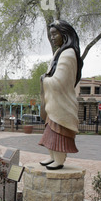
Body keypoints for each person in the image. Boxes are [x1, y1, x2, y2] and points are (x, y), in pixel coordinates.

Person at [39, 20, 83, 170]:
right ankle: (52, 157)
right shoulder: (59, 52)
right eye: (50, 35)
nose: (52, 38)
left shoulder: (69, 54)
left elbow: (60, 81)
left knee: (59, 133)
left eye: (54, 34)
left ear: (64, 34)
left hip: (62, 104)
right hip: (54, 103)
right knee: (50, 133)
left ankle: (59, 159)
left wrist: (45, 80)